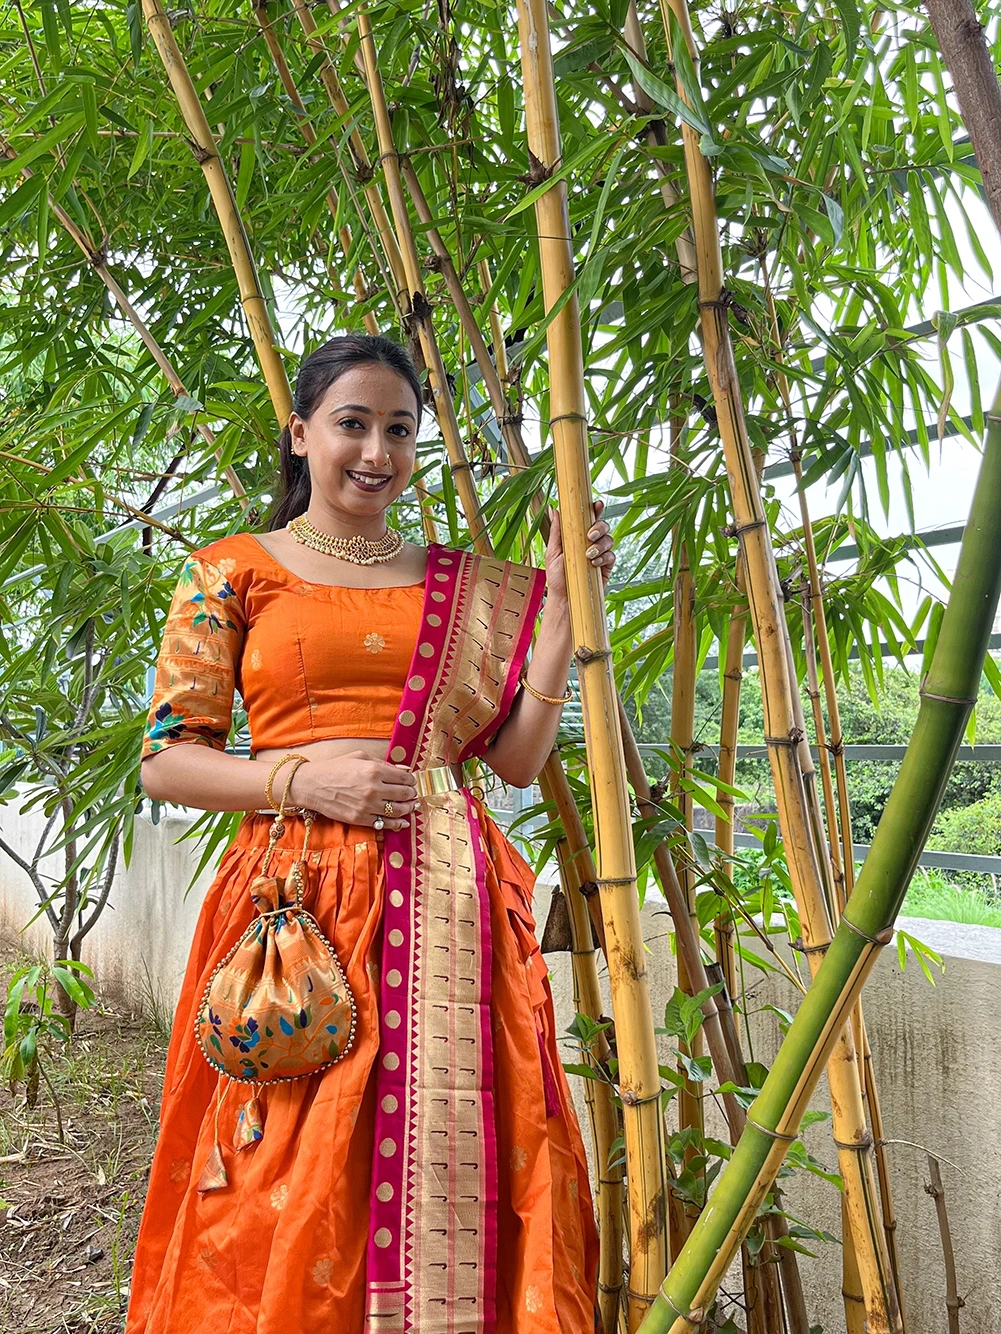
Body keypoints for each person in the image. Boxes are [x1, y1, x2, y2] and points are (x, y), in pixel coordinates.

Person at [126, 333, 616, 1334]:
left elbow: (514, 761)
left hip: (452, 904)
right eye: (352, 423)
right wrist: (303, 779)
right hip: (298, 905)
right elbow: (169, 758)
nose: (376, 451)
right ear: (301, 432)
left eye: (400, 428)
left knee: (456, 1144)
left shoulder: (465, 583)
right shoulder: (230, 571)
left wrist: (562, 613)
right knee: (290, 1161)